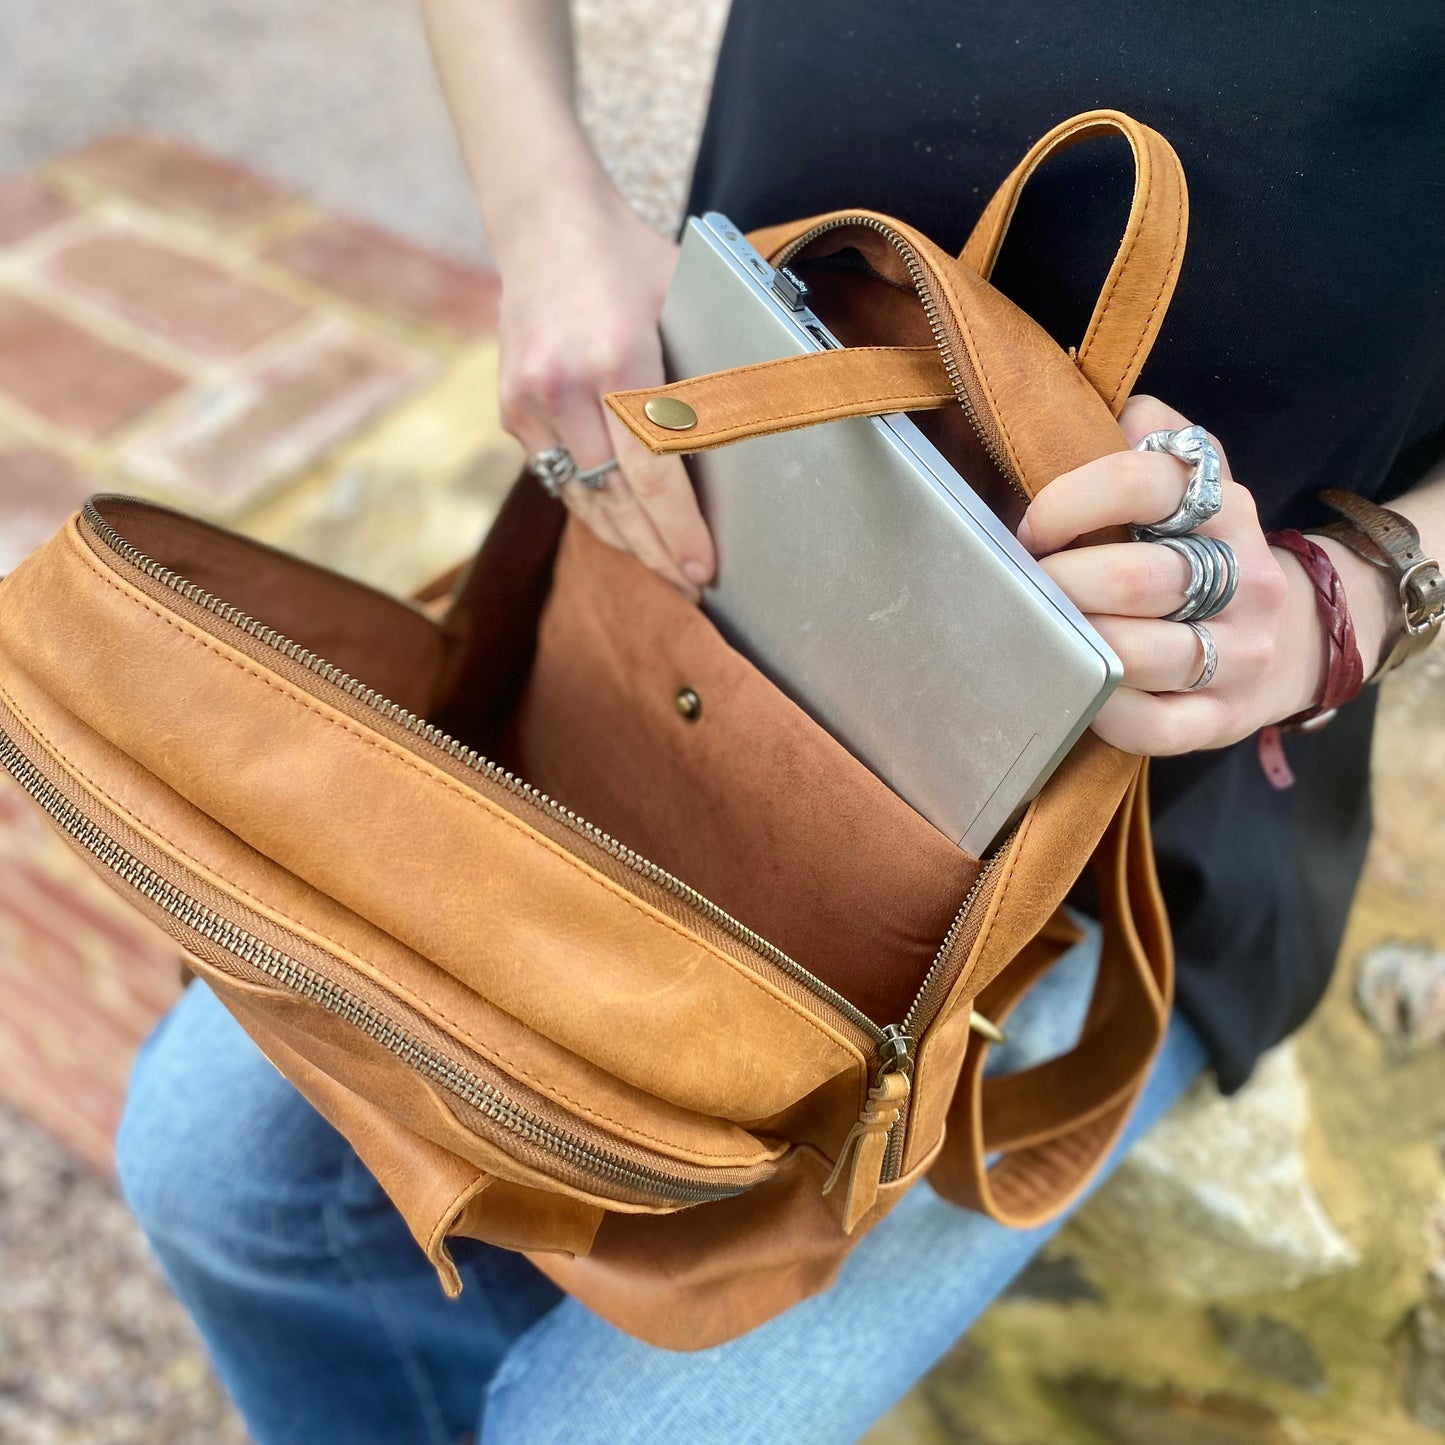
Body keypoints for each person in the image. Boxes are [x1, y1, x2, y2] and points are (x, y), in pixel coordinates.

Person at [116, 3, 1445, 1442]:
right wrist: (546, 206)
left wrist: (1359, 591)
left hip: (1121, 828)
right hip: (678, 612)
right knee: (214, 1168)